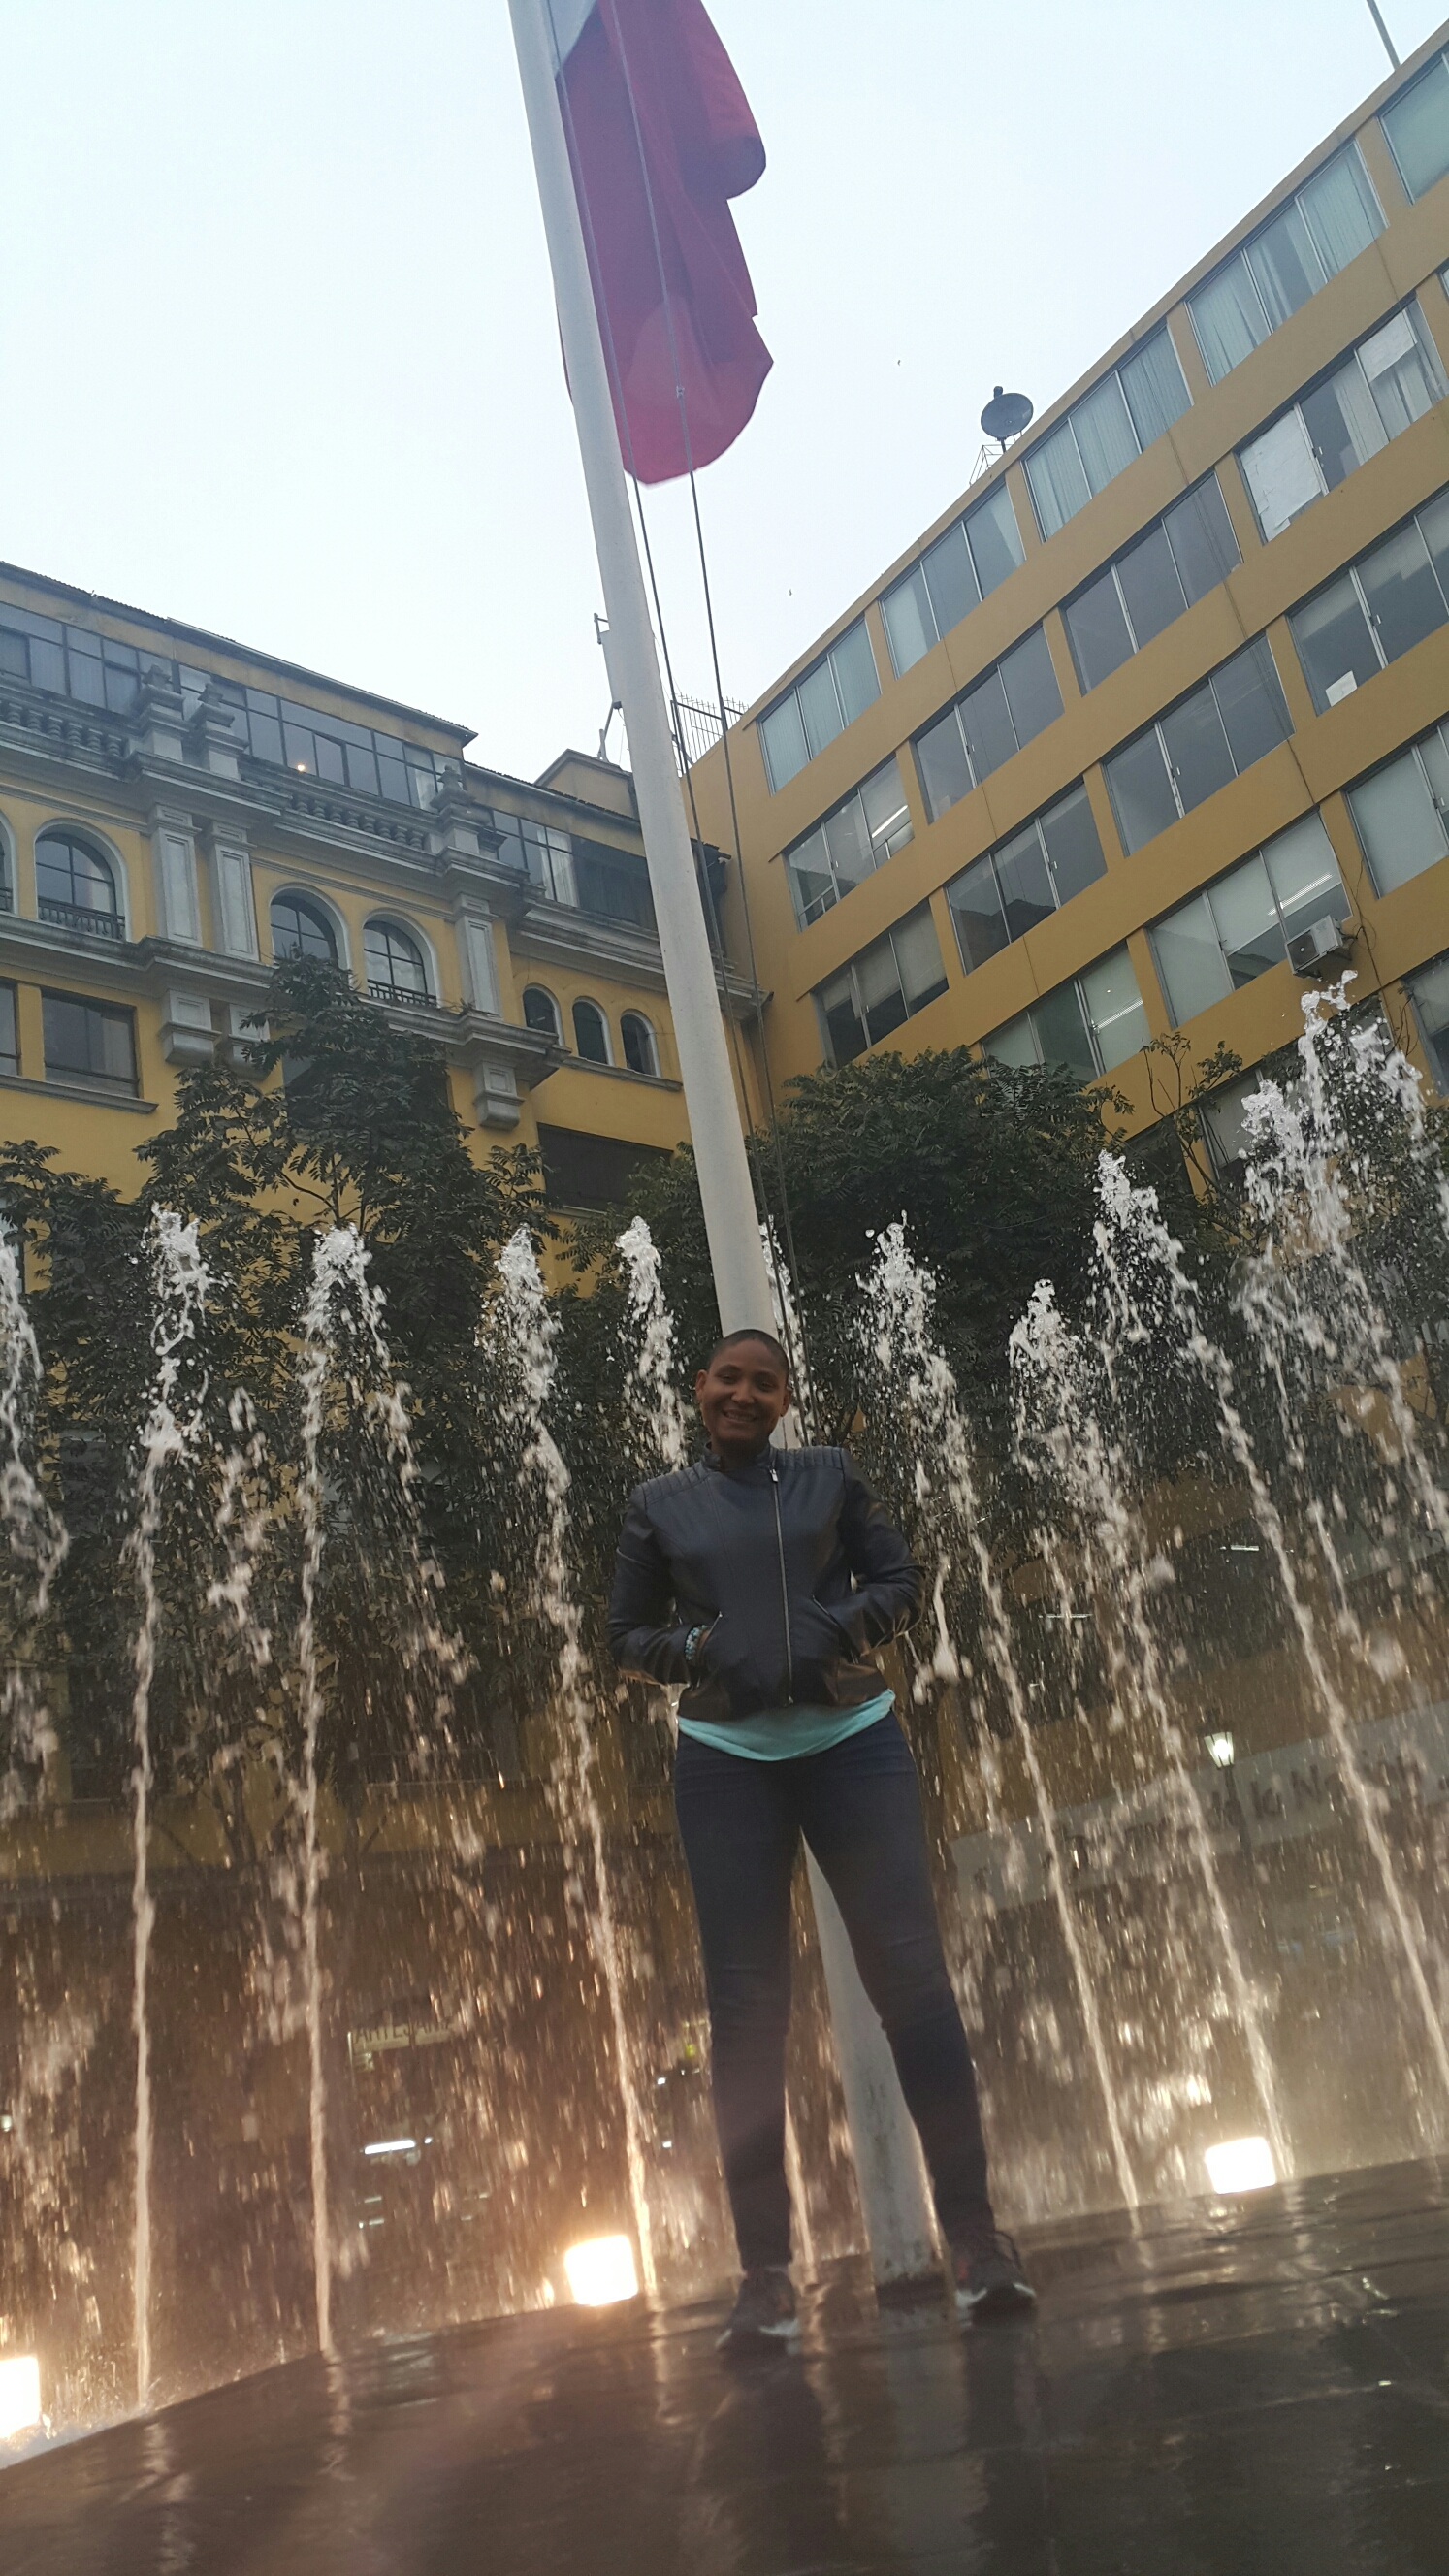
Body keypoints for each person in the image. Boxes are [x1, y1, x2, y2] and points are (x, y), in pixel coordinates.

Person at [608, 1326, 1034, 2349]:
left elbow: (901, 1582)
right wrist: (703, 1647)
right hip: (725, 1762)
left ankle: (974, 2240)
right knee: (746, 2017)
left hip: (854, 1746)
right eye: (728, 1378)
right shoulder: (658, 1504)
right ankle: (765, 2277)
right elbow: (626, 1638)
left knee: (914, 1989)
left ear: (785, 1398)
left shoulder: (830, 1478)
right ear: (700, 1387)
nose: (743, 1395)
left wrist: (836, 1627)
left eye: (764, 1383)